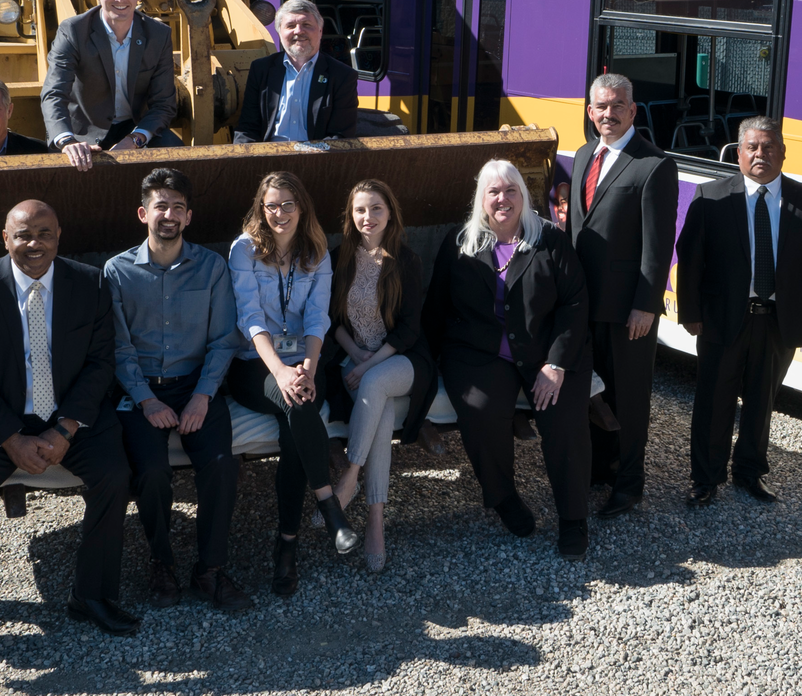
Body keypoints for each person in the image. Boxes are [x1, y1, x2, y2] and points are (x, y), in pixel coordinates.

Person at [0, 201, 136, 677]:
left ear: (59, 236)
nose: (34, 244)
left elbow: (101, 364)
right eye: (23, 235)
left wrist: (65, 429)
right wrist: (11, 438)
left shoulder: (90, 281)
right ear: (5, 238)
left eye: (44, 234)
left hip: (71, 419)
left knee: (114, 476)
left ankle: (92, 596)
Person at [424, 160, 593, 560]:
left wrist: (556, 364)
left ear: (523, 196)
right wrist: (424, 364)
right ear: (481, 199)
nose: (503, 199)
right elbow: (436, 306)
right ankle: (503, 498)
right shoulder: (459, 242)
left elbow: (574, 302)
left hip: (546, 353)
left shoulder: (549, 239)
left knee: (564, 419)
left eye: (511, 191)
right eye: (493, 192)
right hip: (479, 355)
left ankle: (573, 519)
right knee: (481, 410)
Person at [105, 168, 252, 612]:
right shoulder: (117, 272)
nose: (167, 215)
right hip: (140, 391)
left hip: (195, 387)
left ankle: (210, 570)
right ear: (142, 213)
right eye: (160, 206)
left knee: (222, 466)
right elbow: (118, 346)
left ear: (189, 217)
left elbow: (224, 339)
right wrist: (146, 400)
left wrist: (203, 395)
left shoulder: (211, 268)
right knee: (150, 473)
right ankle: (161, 561)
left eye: (177, 207)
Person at [675, 116, 802, 507]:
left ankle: (749, 472)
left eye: (769, 146)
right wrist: (690, 312)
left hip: (778, 320)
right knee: (713, 399)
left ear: (784, 153)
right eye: (753, 147)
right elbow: (690, 259)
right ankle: (705, 478)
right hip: (723, 317)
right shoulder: (712, 197)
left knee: (762, 401)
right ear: (738, 153)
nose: (761, 154)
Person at [228, 171, 361, 596]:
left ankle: (286, 546)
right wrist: (281, 373)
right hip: (254, 363)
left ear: (302, 207)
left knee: (296, 424)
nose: (279, 213)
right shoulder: (244, 250)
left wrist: (307, 365)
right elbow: (248, 316)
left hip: (305, 358)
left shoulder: (317, 252)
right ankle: (328, 505)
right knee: (297, 406)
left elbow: (318, 317)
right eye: (271, 205)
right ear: (260, 208)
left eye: (288, 204)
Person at [567, 73, 677, 519]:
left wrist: (646, 304)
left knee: (629, 399)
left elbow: (658, 244)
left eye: (617, 106)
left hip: (628, 310)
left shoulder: (653, 165)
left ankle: (629, 484)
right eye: (600, 107)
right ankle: (600, 467)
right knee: (592, 391)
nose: (607, 115)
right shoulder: (581, 156)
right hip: (584, 305)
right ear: (590, 112)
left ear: (633, 111)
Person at [319, 179, 434, 571]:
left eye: (376, 209)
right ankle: (375, 524)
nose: (368, 217)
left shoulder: (406, 260)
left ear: (390, 213)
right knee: (381, 415)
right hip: (356, 356)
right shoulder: (338, 258)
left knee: (373, 383)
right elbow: (331, 319)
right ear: (351, 216)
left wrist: (367, 364)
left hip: (402, 360)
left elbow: (409, 329)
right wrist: (354, 354)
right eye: (360, 210)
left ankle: (349, 477)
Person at [41, 0, 181, 169]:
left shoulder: (159, 35)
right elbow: (54, 93)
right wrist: (67, 141)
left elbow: (163, 104)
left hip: (136, 127)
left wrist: (135, 140)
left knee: (179, 163)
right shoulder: (73, 31)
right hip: (85, 133)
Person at [233, 0, 360, 143]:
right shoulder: (261, 69)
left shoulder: (342, 75)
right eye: (290, 26)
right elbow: (247, 128)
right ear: (279, 32)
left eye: (306, 25)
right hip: (269, 158)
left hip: (316, 159)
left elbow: (340, 136)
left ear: (320, 30)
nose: (298, 31)